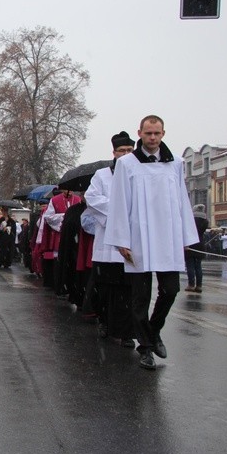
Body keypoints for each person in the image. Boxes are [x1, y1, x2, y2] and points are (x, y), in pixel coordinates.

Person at [106, 115, 198, 370]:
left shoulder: (176, 163)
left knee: (170, 290)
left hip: (167, 235)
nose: (153, 138)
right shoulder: (127, 164)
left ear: (163, 133)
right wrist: (121, 240)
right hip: (139, 237)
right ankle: (145, 347)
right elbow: (120, 202)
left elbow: (182, 199)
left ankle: (154, 331)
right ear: (140, 133)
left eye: (157, 133)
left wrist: (186, 236)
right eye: (148, 133)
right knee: (140, 297)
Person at [84, 131, 136, 347]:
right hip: (107, 244)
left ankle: (126, 332)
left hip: (132, 243)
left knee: (129, 292)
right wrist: (119, 209)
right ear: (114, 152)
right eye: (121, 151)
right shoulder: (102, 175)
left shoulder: (139, 172)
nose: (125, 154)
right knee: (105, 290)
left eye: (129, 151)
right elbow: (92, 199)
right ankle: (105, 321)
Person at [39, 189, 81, 290]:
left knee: (74, 260)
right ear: (63, 189)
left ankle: (73, 286)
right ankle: (61, 285)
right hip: (60, 235)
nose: (70, 191)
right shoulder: (54, 200)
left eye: (72, 189)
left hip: (76, 235)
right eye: (67, 189)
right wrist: (64, 217)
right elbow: (48, 217)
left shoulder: (78, 199)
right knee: (61, 261)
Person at [184, 204, 209, 293]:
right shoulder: (205, 221)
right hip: (200, 245)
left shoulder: (191, 220)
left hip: (190, 244)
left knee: (190, 265)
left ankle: (191, 284)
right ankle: (199, 285)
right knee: (198, 266)